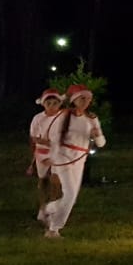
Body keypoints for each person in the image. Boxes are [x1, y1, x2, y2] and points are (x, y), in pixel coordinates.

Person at [43, 84, 106, 239]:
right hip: (63, 158)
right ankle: (53, 229)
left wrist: (97, 135)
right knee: (70, 194)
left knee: (71, 196)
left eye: (88, 99)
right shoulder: (64, 116)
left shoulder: (92, 119)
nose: (86, 101)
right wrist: (53, 158)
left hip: (79, 160)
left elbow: (101, 144)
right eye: (82, 98)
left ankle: (50, 208)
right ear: (74, 100)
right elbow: (55, 139)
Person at [28, 88, 64, 225]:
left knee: (56, 180)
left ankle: (53, 208)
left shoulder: (63, 118)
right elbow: (34, 137)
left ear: (59, 104)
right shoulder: (38, 118)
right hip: (42, 153)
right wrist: (47, 142)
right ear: (43, 104)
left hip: (58, 154)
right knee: (43, 180)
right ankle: (42, 207)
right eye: (49, 103)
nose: (52, 105)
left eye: (55, 103)